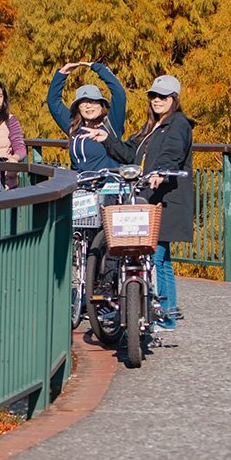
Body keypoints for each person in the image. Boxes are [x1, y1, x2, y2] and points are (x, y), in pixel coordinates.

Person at [84, 74, 193, 331]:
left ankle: (161, 313)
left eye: (163, 97)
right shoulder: (151, 127)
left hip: (166, 199)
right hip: (148, 198)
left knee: (157, 257)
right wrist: (106, 140)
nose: (157, 101)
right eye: (153, 96)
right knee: (158, 257)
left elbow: (173, 152)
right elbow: (129, 154)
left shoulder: (178, 124)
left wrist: (162, 171)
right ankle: (160, 312)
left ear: (174, 99)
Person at [46, 61, 127, 171]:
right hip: (80, 184)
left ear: (101, 105)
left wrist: (98, 68)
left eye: (93, 102)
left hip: (107, 185)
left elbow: (119, 93)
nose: (88, 106)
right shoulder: (74, 126)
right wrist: (62, 73)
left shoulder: (112, 124)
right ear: (78, 107)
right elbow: (53, 102)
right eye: (83, 103)